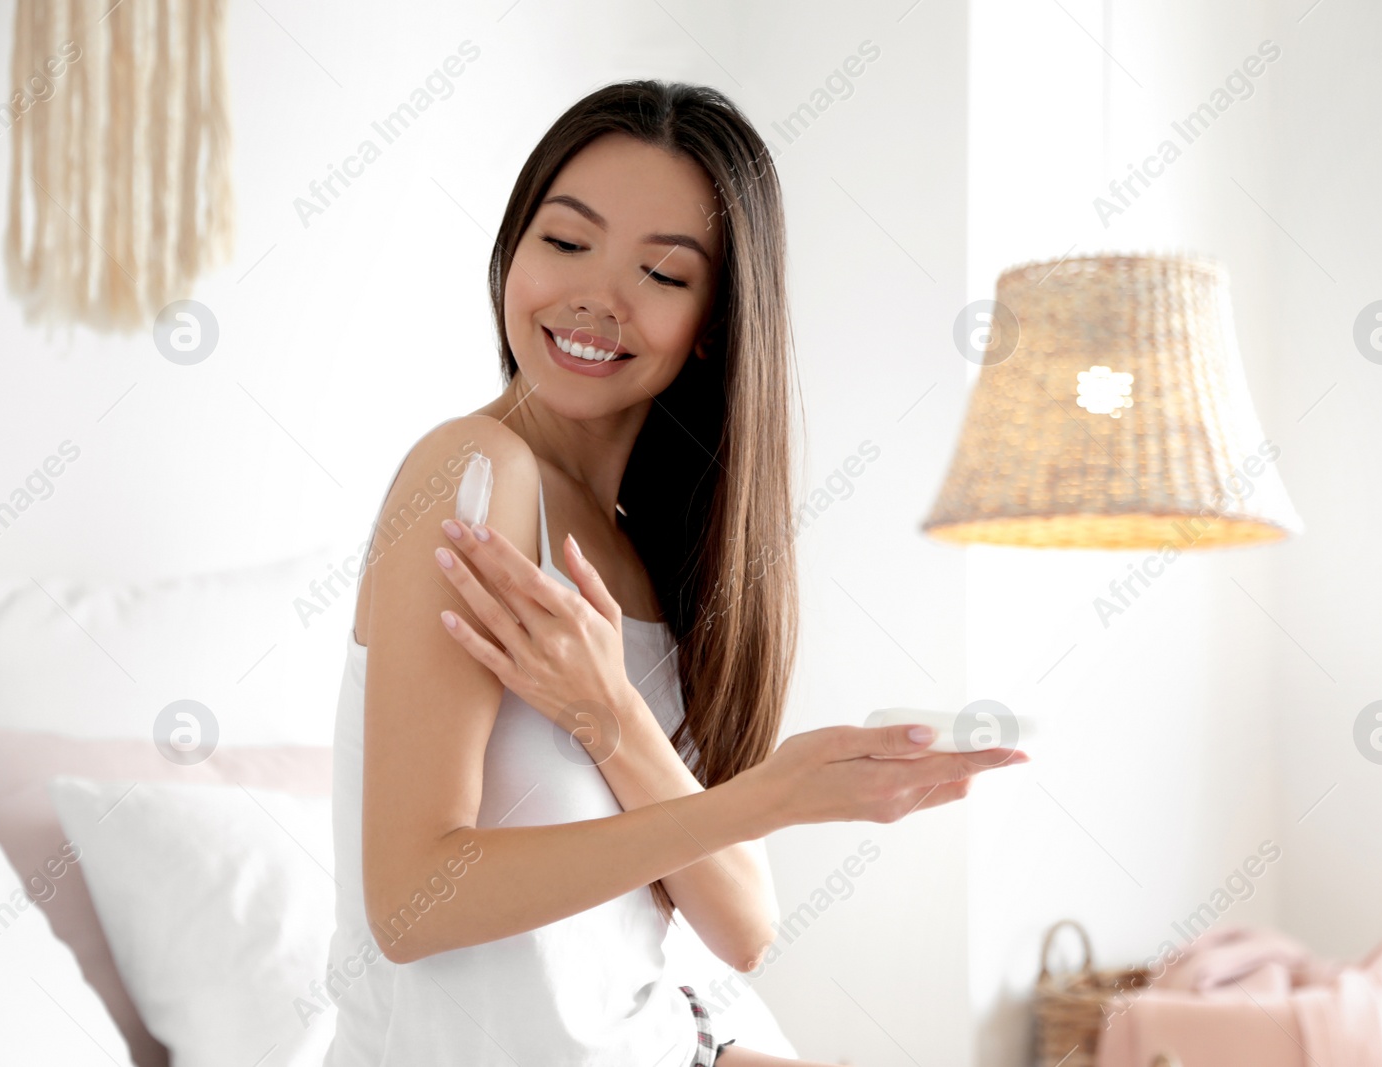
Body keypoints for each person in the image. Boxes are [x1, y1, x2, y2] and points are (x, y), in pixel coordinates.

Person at [323, 79, 1029, 1067]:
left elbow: (740, 925)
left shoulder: (652, 556)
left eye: (660, 272)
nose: (594, 297)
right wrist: (773, 795)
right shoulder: (474, 473)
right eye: (565, 243)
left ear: (711, 321)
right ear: (511, 255)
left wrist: (609, 713)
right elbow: (409, 901)